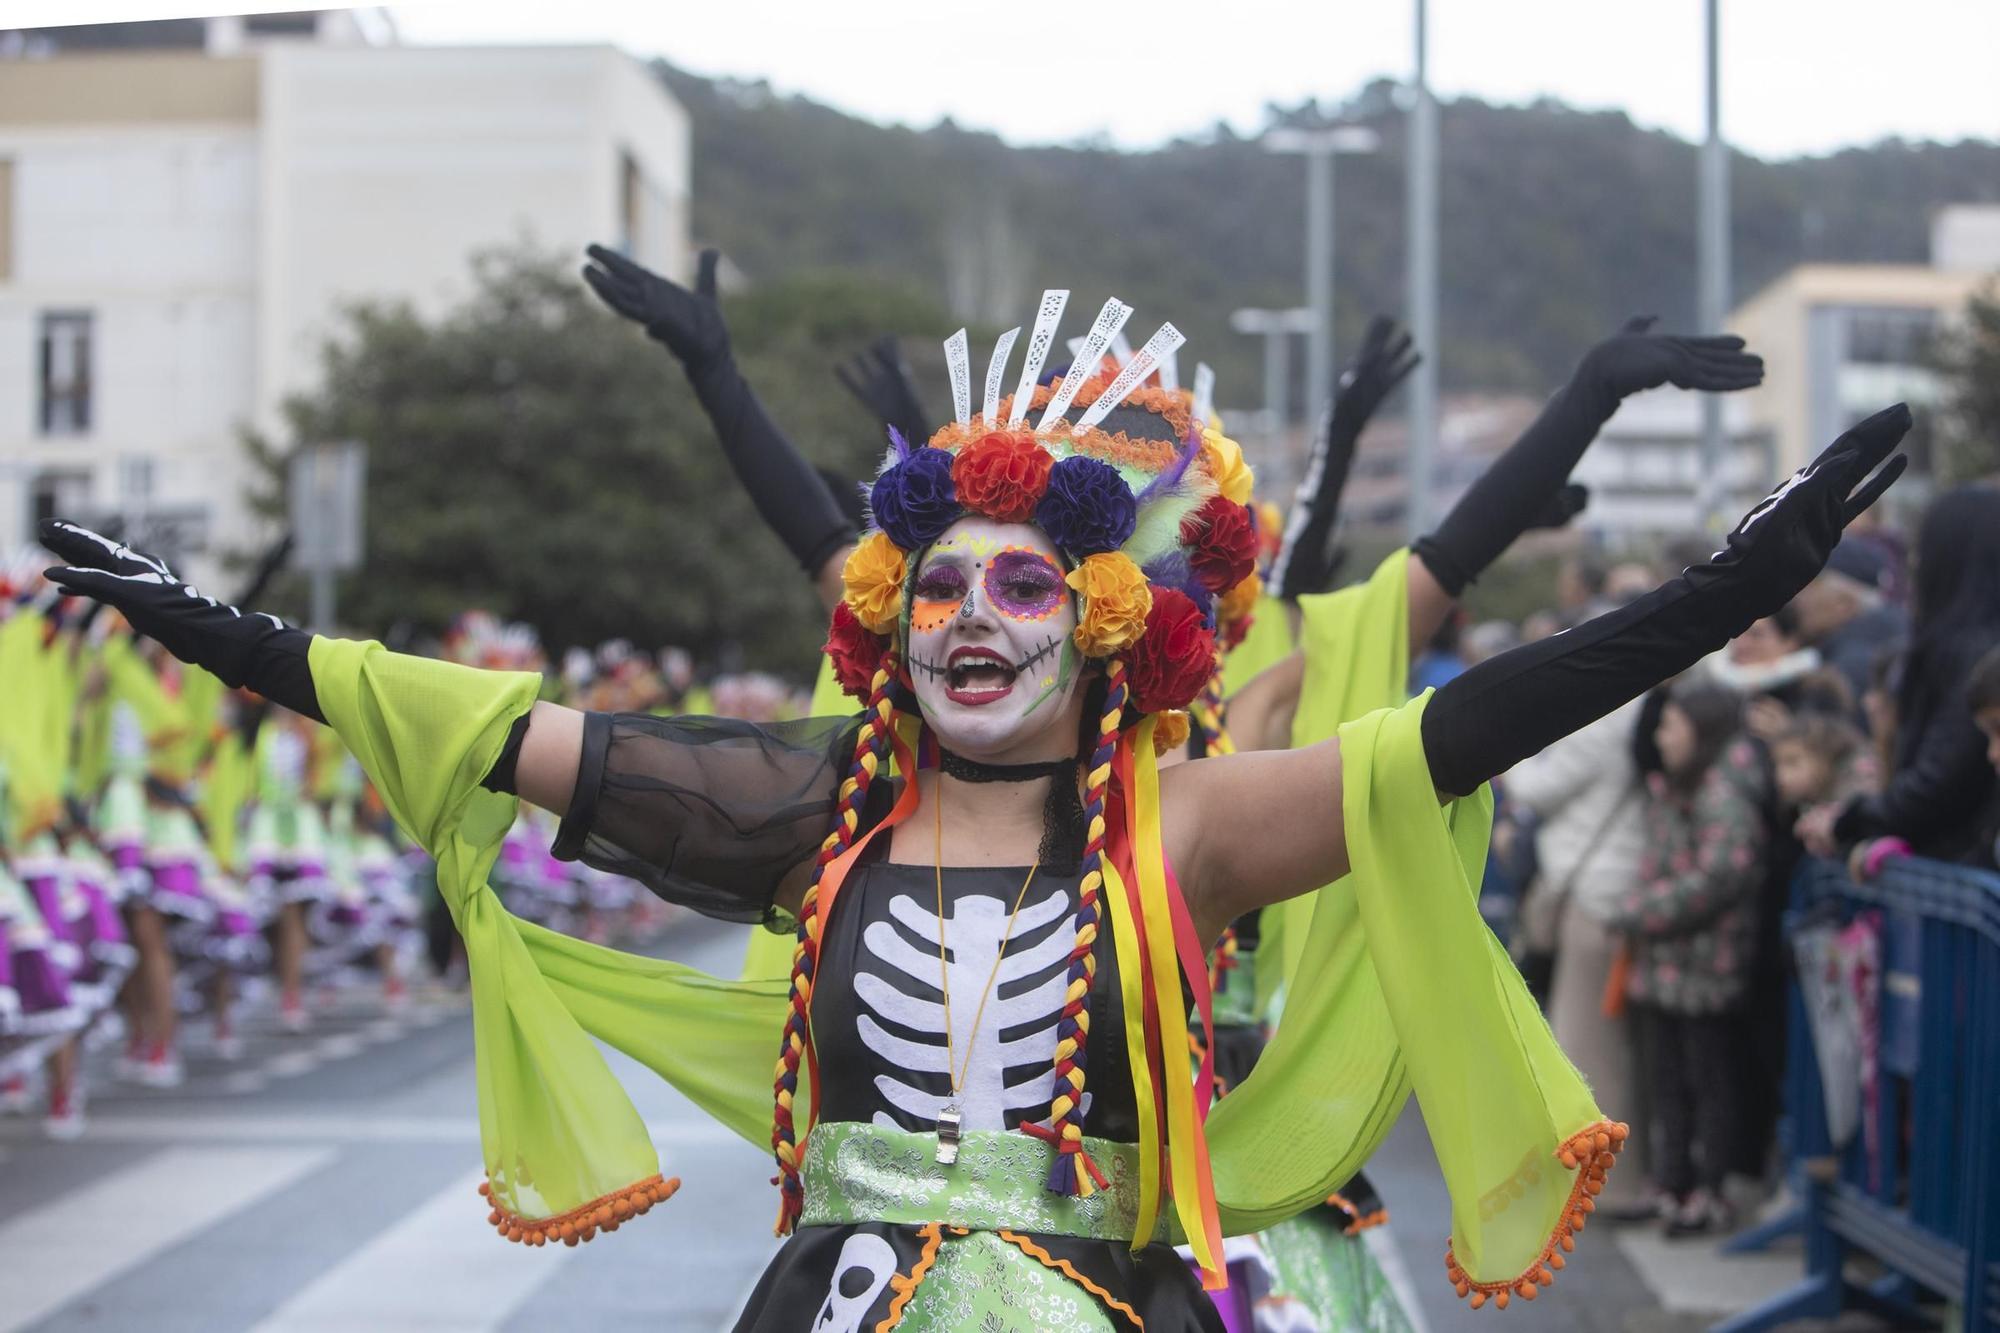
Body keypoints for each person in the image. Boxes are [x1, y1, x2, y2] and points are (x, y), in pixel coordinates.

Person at [36, 280, 1909, 1325]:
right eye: (938, 585)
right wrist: (224, 630)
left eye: (1024, 587)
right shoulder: (813, 808)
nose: (973, 619)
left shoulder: (1193, 822)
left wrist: (1727, 593)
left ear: (1101, 633)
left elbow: (1481, 715)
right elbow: (483, 725)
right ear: (886, 621)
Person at [1605, 683, 1770, 1237]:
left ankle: (1710, 1189)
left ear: (1700, 732)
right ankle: (1671, 1181)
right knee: (1667, 1083)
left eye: (1670, 726)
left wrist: (1643, 910)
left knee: (1709, 1083)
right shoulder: (1676, 786)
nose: (1660, 737)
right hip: (1664, 966)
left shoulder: (1724, 794)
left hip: (1706, 967)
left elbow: (1723, 873)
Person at [1801, 487, 2000, 866]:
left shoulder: (1970, 652)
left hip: (1952, 865)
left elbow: (1941, 779)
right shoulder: (1958, 646)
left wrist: (1850, 823)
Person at [1788, 537, 1907, 709]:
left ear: (1843, 604)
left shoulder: (1848, 669)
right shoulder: (1885, 645)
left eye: (1810, 584)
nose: (1797, 596)